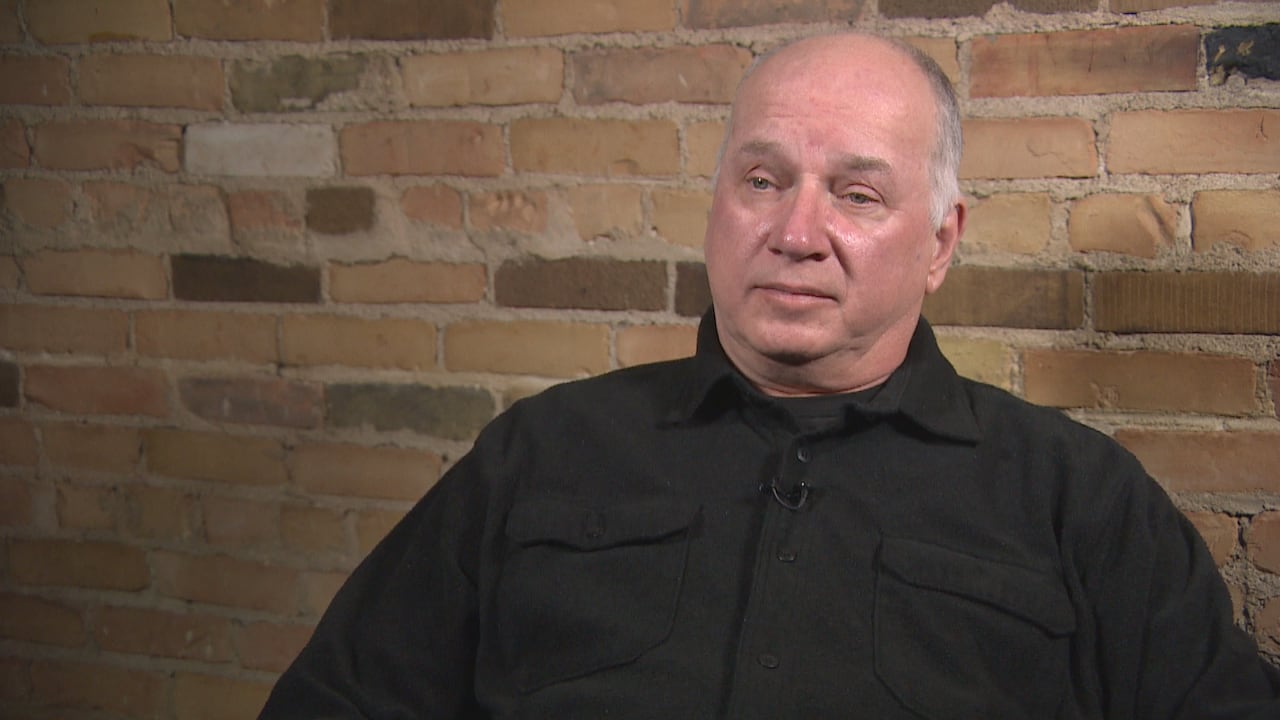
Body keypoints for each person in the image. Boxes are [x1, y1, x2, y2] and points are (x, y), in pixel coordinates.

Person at [259, 33, 1280, 719]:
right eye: (762, 181)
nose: (795, 232)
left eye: (855, 193)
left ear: (938, 241)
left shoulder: (1080, 501)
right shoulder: (540, 454)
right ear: (714, 209)